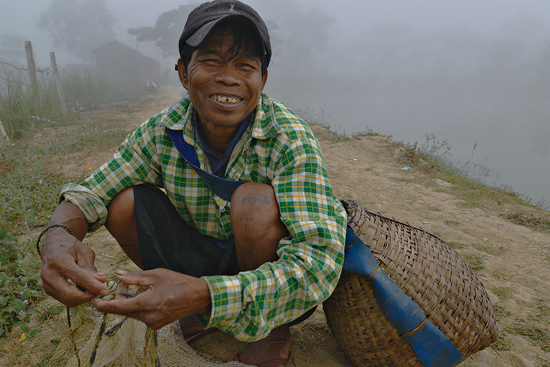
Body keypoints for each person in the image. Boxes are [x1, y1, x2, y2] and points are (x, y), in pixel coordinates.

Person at [39, 1, 347, 366]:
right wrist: (58, 237)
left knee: (254, 204)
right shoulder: (161, 131)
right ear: (184, 73)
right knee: (123, 203)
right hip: (200, 258)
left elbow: (320, 259)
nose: (229, 78)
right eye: (212, 61)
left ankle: (270, 329)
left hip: (267, 278)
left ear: (262, 80)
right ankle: (193, 307)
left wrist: (206, 293)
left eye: (245, 66)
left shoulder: (289, 138)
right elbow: (91, 192)